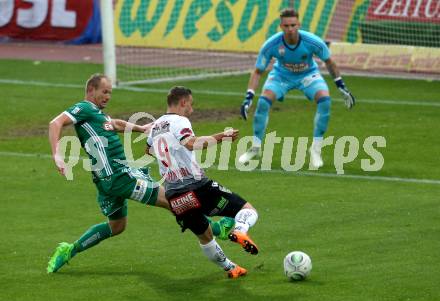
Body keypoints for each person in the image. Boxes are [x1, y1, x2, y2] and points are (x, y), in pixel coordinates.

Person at [47, 74, 233, 273]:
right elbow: (55, 123)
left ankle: (69, 250)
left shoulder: (96, 115)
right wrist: (57, 155)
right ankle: (216, 229)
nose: (108, 96)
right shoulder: (83, 108)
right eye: (105, 91)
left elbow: (115, 124)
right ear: (91, 90)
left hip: (104, 181)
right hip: (121, 177)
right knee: (175, 201)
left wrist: (140, 128)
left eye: (110, 92)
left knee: (117, 226)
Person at [146, 86, 259, 278]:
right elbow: (191, 142)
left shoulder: (155, 126)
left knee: (205, 237)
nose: (192, 109)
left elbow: (148, 150)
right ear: (183, 102)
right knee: (247, 210)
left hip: (174, 194)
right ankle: (240, 230)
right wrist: (221, 137)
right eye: (191, 104)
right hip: (197, 186)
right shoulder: (180, 120)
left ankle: (231, 268)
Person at [239, 8, 355, 168]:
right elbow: (258, 71)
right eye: (286, 26)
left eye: (293, 25)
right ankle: (255, 148)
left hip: (308, 75)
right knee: (263, 102)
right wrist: (249, 96)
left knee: (325, 100)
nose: (290, 29)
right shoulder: (271, 45)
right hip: (281, 76)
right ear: (281, 26)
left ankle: (315, 149)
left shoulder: (312, 41)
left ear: (299, 24)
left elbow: (329, 62)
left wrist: (341, 85)